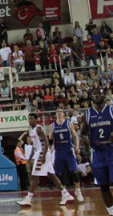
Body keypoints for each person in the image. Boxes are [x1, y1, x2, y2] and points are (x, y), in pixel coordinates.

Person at [17, 113, 75, 206]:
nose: (30, 120)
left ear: (36, 120)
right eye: (29, 119)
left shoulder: (39, 129)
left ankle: (28, 199)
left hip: (42, 154)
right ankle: (66, 195)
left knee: (35, 177)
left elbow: (46, 141)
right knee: (52, 176)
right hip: (39, 153)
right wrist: (30, 157)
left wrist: (43, 155)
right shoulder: (32, 131)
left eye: (31, 118)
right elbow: (34, 146)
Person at [79, 87, 113, 215]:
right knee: (103, 186)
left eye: (99, 93)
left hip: (111, 150)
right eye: (95, 94)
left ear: (105, 95)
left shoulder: (111, 110)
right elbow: (83, 133)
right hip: (97, 154)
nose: (97, 95)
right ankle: (111, 211)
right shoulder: (87, 114)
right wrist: (84, 140)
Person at [51, 108, 84, 202]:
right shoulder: (52, 125)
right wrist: (50, 153)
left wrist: (77, 146)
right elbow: (50, 140)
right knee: (60, 174)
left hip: (69, 149)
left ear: (64, 114)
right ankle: (64, 193)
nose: (59, 113)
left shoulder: (69, 123)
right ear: (55, 114)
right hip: (58, 151)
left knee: (74, 171)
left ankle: (78, 191)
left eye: (61, 111)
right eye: (57, 111)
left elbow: (75, 136)